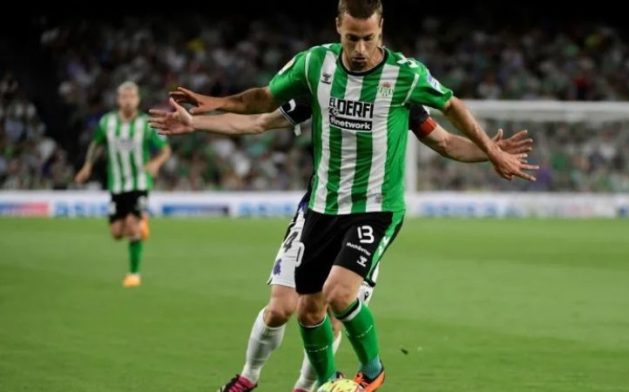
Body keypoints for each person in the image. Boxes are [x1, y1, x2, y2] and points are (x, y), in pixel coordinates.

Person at [162, 0, 537, 389]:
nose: (359, 49)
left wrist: (491, 151)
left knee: (338, 296)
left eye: (368, 39)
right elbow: (260, 107)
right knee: (307, 309)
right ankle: (323, 383)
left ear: (382, 30)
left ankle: (373, 371)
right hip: (322, 207)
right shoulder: (314, 69)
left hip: (376, 208)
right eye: (351, 38)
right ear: (337, 27)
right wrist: (206, 113)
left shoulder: (404, 79)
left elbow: (446, 135)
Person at [75, 81, 171, 288]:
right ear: (119, 100)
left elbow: (165, 150)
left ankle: (134, 274)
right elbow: (96, 144)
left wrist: (155, 163)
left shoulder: (146, 123)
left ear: (137, 100)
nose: (128, 101)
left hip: (139, 183)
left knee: (132, 227)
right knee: (117, 232)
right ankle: (141, 225)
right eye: (124, 97)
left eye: (132, 97)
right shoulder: (107, 122)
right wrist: (87, 166)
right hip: (116, 184)